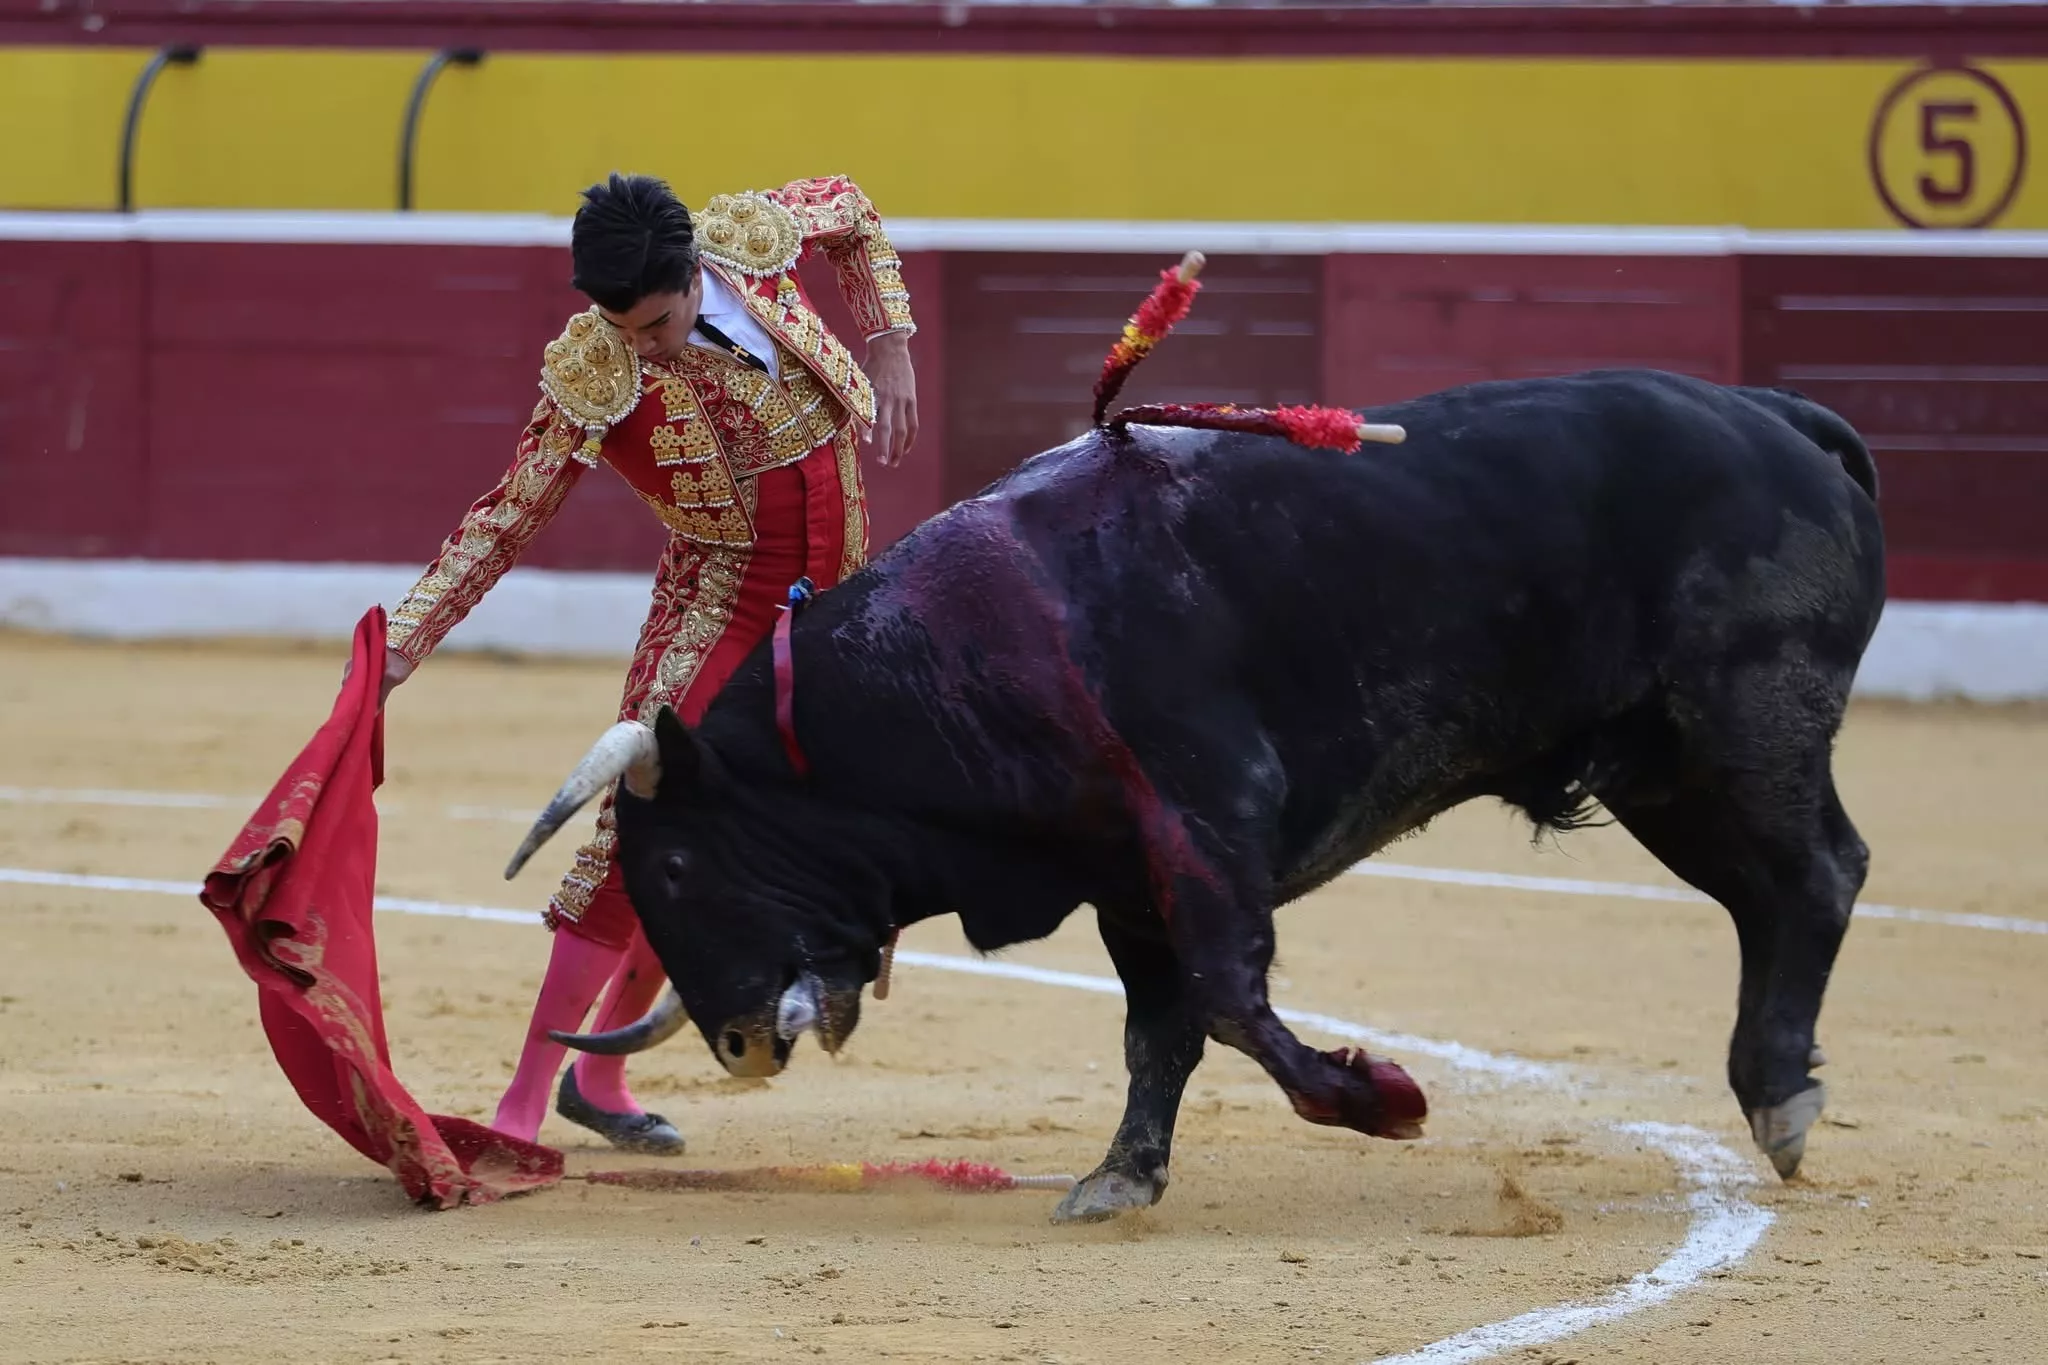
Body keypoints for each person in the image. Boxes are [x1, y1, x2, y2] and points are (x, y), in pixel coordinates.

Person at [377, 171, 918, 1150]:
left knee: (785, 840)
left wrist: (887, 340)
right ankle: (523, 1104)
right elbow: (507, 518)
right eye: (624, 330)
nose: (644, 348)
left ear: (693, 272)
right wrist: (407, 640)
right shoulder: (596, 371)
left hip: (832, 608)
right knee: (638, 834)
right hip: (716, 610)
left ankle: (601, 1076)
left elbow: (853, 211)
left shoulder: (753, 238)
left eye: (659, 324)